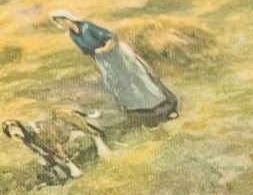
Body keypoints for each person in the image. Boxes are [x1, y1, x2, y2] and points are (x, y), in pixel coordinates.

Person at [50, 12, 178, 124]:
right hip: (103, 60)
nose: (63, 23)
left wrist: (103, 50)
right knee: (116, 83)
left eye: (63, 19)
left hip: (117, 53)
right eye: (59, 22)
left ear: (69, 18)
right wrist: (99, 58)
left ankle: (167, 108)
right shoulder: (73, 35)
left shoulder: (87, 27)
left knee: (138, 79)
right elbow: (87, 51)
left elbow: (111, 38)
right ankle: (145, 113)